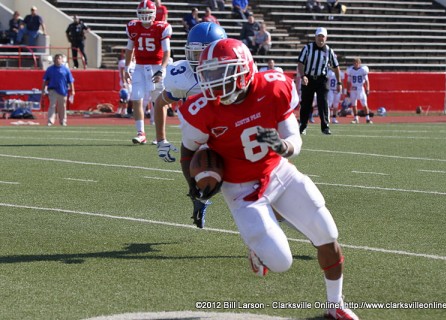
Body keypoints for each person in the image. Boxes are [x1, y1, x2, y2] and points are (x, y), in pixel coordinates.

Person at [178, 38, 359, 320]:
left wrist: (281, 146)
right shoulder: (201, 109)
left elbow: (293, 141)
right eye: (209, 74)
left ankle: (335, 305)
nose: (214, 82)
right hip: (240, 191)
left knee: (327, 233)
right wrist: (195, 187)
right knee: (281, 262)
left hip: (278, 171)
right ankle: (258, 248)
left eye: (221, 73)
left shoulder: (274, 87)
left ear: (244, 70)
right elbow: (189, 151)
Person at [153, 22, 226, 163]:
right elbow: (160, 103)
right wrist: (161, 140)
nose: (200, 60)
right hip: (200, 138)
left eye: (205, 54)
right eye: (196, 53)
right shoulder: (183, 76)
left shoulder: (235, 72)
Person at [125, 0, 172, 144]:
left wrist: (162, 70)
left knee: (158, 102)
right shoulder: (133, 26)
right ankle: (141, 133)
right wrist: (127, 66)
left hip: (156, 66)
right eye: (142, 13)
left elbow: (166, 52)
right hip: (139, 66)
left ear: (153, 14)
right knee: (136, 98)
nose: (145, 16)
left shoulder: (161, 27)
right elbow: (129, 49)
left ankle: (160, 136)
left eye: (147, 12)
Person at [298, 27, 342, 135]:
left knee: (323, 102)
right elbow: (300, 63)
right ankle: (303, 126)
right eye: (319, 36)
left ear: (326, 38)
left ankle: (325, 127)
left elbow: (336, 67)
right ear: (315, 37)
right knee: (306, 104)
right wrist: (303, 76)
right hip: (308, 78)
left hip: (322, 80)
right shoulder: (307, 48)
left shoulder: (329, 51)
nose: (320, 39)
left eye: (323, 36)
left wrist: (339, 82)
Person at [41, 53, 75, 127]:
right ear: (54, 60)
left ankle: (63, 121)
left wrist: (72, 90)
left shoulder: (66, 70)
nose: (57, 60)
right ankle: (50, 121)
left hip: (63, 90)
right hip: (52, 90)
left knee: (62, 106)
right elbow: (45, 80)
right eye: (56, 58)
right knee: (52, 105)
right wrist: (43, 90)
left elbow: (71, 81)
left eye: (59, 58)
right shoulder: (50, 69)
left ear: (62, 60)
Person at [346, 57, 372, 124]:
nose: (355, 64)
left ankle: (367, 118)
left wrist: (367, 89)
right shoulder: (350, 70)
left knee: (364, 104)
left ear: (359, 63)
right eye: (354, 63)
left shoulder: (363, 70)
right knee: (354, 105)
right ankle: (355, 118)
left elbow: (366, 81)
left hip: (361, 88)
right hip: (353, 89)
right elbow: (348, 82)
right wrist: (348, 90)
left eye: (357, 63)